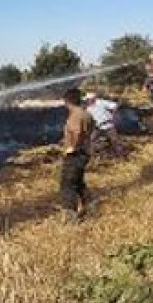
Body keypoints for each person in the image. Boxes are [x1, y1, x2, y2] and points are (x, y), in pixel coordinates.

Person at [60, 87, 95, 223]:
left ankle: (70, 217)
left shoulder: (75, 115)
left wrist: (71, 147)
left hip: (76, 154)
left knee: (67, 184)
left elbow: (77, 132)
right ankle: (91, 208)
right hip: (85, 151)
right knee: (78, 182)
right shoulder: (86, 114)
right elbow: (91, 129)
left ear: (67, 101)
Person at [84, 92, 126, 157]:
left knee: (115, 140)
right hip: (98, 127)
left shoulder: (101, 102)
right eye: (87, 100)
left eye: (89, 99)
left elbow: (115, 106)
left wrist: (113, 113)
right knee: (92, 139)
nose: (88, 101)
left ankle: (121, 154)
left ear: (93, 98)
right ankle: (98, 153)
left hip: (108, 125)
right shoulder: (88, 108)